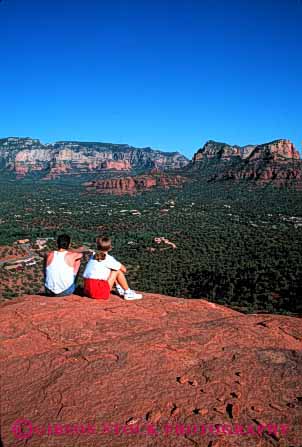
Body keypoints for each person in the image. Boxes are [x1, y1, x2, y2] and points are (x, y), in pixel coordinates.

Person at [83, 236, 142, 301]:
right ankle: (128, 293)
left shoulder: (93, 255)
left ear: (97, 246)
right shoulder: (109, 259)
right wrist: (116, 262)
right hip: (98, 293)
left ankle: (119, 289)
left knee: (110, 269)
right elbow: (124, 270)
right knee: (116, 270)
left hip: (87, 290)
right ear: (110, 248)